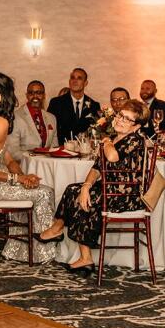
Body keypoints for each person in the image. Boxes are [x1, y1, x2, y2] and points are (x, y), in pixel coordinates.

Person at [37, 100, 150, 276]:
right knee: (74, 189)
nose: (120, 120)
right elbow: (97, 168)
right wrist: (86, 186)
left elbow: (112, 157)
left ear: (136, 126)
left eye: (127, 119)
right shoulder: (114, 139)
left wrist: (106, 142)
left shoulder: (135, 140)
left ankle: (82, 255)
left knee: (87, 199)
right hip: (110, 189)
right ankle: (59, 230)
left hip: (127, 194)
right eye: (120, 115)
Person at [0, 150, 58, 264]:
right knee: (44, 193)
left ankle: (21, 252)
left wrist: (24, 178)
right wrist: (17, 179)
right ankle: (44, 253)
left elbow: (10, 162)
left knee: (45, 190)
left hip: (9, 182)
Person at [47, 68, 101, 145]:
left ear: (85, 83)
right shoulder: (56, 103)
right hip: (62, 151)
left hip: (85, 151)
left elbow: (97, 132)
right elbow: (50, 130)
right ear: (69, 82)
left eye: (79, 78)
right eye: (72, 78)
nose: (75, 81)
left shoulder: (94, 106)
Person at [8, 80, 57, 161]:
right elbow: (13, 152)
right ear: (27, 95)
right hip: (24, 168)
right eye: (31, 93)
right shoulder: (15, 117)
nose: (35, 96)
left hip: (47, 166)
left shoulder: (52, 118)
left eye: (39, 93)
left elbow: (54, 147)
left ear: (44, 95)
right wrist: (36, 158)